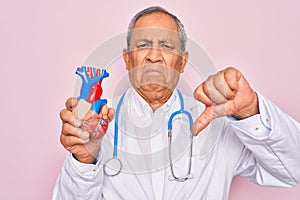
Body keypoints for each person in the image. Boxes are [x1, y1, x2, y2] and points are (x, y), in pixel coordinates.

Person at [53, 6, 300, 200]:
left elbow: (292, 170)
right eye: (142, 45)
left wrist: (250, 111)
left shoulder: (218, 124)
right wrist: (84, 162)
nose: (153, 55)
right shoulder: (96, 124)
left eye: (167, 46)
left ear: (182, 63)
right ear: (127, 60)